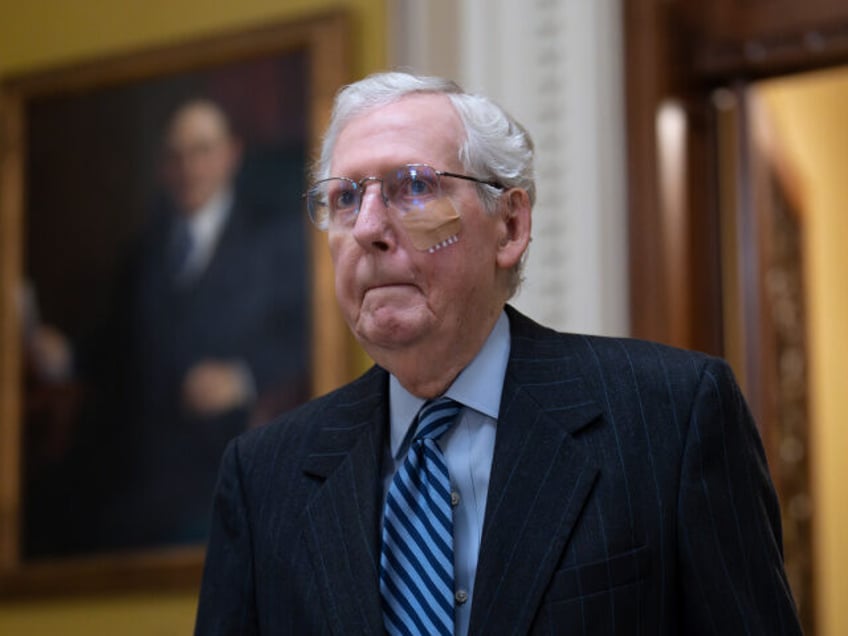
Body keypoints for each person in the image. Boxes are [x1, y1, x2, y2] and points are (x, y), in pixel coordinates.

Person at [194, 72, 802, 635]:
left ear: (509, 227)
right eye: (346, 198)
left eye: (413, 187)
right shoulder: (263, 475)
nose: (367, 228)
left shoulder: (672, 417)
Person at [28, 98, 308, 551]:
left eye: (202, 151)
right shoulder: (143, 253)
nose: (189, 167)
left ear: (230, 154)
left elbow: (309, 336)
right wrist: (66, 358)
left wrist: (244, 376)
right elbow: (115, 346)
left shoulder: (277, 241)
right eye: (176, 156)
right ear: (162, 167)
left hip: (232, 464)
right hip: (145, 474)